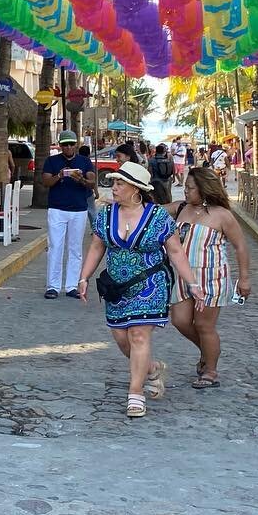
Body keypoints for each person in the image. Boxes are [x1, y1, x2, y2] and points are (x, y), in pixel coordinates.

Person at [76, 162, 199, 419]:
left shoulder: (158, 218)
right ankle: (152, 368)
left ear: (136, 190)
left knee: (139, 337)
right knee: (122, 338)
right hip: (117, 288)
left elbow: (175, 252)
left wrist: (192, 282)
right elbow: (97, 247)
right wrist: (84, 277)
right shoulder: (106, 214)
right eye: (114, 182)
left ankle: (135, 394)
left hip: (150, 285)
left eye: (120, 183)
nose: (114, 187)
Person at [163, 166, 252, 388]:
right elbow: (151, 211)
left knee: (204, 326)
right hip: (183, 277)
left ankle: (210, 370)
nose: (185, 191)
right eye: (185, 186)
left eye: (190, 187)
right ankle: (207, 351)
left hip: (210, 278)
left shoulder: (222, 215)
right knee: (180, 321)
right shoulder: (181, 208)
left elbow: (240, 246)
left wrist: (244, 278)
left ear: (203, 189)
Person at [39, 131, 96, 300]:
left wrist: (82, 180)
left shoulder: (84, 161)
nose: (68, 147)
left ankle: (71, 286)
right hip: (57, 209)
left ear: (76, 144)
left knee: (75, 249)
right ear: (60, 145)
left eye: (71, 144)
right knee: (55, 247)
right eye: (65, 144)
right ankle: (53, 286)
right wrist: (60, 175)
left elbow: (92, 182)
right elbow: (46, 181)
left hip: (79, 210)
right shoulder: (52, 161)